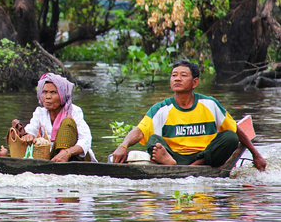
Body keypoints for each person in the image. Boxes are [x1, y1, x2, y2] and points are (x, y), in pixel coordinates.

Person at [111, 59, 267, 171]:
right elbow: (139, 131)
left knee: (230, 137)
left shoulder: (209, 104)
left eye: (183, 75)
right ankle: (173, 164)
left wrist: (256, 154)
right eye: (174, 75)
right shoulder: (161, 108)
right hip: (172, 156)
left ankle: (192, 166)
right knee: (153, 140)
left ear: (195, 82)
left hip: (205, 156)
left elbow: (237, 130)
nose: (177, 78)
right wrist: (122, 146)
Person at [20, 73, 96, 162]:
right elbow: (31, 129)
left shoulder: (74, 111)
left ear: (62, 94)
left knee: (67, 122)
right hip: (50, 157)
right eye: (44, 92)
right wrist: (28, 135)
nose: (48, 97)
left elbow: (85, 140)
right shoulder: (40, 112)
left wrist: (67, 152)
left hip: (74, 157)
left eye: (53, 92)